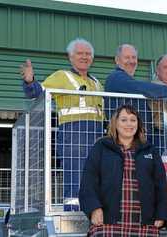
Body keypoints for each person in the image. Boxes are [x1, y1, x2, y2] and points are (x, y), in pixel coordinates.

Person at [20, 38, 104, 211]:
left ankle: (94, 210)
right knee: (75, 177)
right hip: (73, 134)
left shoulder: (96, 82)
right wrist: (30, 82)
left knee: (96, 176)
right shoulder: (61, 76)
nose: (85, 57)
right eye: (80, 53)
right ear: (70, 57)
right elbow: (38, 93)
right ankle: (73, 213)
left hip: (97, 135)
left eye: (88, 54)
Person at [79, 104, 167, 237]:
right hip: (107, 221)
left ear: (138, 124)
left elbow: (161, 185)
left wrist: (161, 214)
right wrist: (94, 208)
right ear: (115, 123)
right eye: (124, 120)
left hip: (144, 223)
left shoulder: (150, 150)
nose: (129, 124)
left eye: (133, 120)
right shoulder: (101, 147)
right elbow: (88, 181)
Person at [105, 44, 167, 146]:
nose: (131, 61)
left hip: (139, 138)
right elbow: (139, 87)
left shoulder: (127, 79)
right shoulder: (115, 77)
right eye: (127, 57)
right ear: (117, 60)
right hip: (125, 140)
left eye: (134, 57)